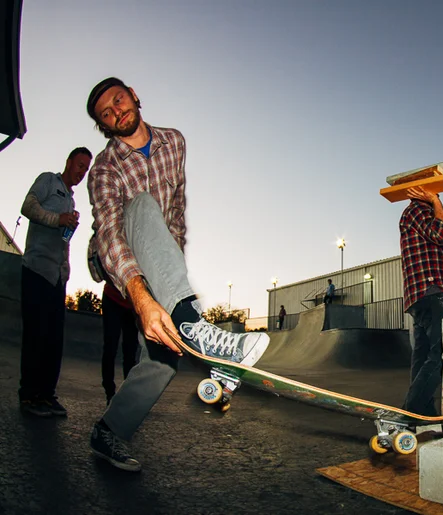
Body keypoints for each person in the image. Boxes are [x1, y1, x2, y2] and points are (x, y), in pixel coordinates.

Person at [84, 77, 269, 472]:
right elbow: (110, 232)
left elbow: (177, 215)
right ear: (104, 125)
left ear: (133, 95)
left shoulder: (174, 142)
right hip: (120, 267)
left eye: (119, 101)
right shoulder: (103, 169)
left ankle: (108, 431)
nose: (117, 112)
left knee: (164, 360)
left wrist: (171, 276)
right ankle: (196, 329)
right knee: (142, 205)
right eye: (107, 114)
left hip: (159, 267)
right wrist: (143, 294)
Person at [18, 147, 92, 417]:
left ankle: (47, 394)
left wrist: (66, 266)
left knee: (53, 338)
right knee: (35, 334)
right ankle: (29, 396)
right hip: (37, 269)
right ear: (69, 162)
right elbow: (27, 206)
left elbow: (63, 239)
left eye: (86, 169)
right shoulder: (48, 180)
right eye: (79, 165)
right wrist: (56, 219)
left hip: (57, 276)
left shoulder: (72, 202)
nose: (81, 172)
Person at [399, 187, 443, 416]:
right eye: (434, 194)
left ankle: (422, 414)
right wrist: (434, 200)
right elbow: (441, 235)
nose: (438, 198)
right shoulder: (418, 210)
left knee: (424, 357)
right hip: (433, 292)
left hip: (422, 297)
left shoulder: (411, 214)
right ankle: (412, 410)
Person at [101, 272, 140, 405]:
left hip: (132, 305)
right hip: (112, 298)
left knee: (130, 351)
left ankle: (127, 393)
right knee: (110, 346)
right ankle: (109, 392)